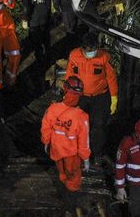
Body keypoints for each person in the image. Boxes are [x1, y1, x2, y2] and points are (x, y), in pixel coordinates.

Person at [65, 32, 118, 167]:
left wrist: (114, 97)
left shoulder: (104, 57)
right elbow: (69, 75)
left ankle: (98, 154)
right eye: (89, 50)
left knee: (99, 126)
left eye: (94, 50)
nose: (91, 53)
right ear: (82, 48)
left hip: (100, 97)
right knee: (80, 126)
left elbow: (111, 78)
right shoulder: (74, 55)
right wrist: (68, 95)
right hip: (81, 97)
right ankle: (80, 153)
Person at [41, 76, 90, 212]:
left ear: (65, 89)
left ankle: (64, 198)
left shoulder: (53, 109)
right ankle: (71, 204)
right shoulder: (81, 116)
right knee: (73, 180)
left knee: (62, 174)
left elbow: (45, 128)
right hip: (72, 155)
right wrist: (85, 158)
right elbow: (84, 141)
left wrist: (46, 142)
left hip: (56, 151)